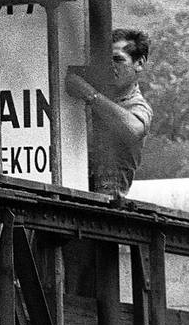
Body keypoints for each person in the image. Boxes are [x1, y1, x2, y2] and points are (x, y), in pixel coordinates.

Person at [66, 28, 153, 199]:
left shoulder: (137, 105)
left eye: (118, 60)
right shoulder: (96, 91)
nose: (111, 66)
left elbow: (133, 129)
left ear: (139, 63)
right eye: (106, 60)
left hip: (105, 203)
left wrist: (90, 94)